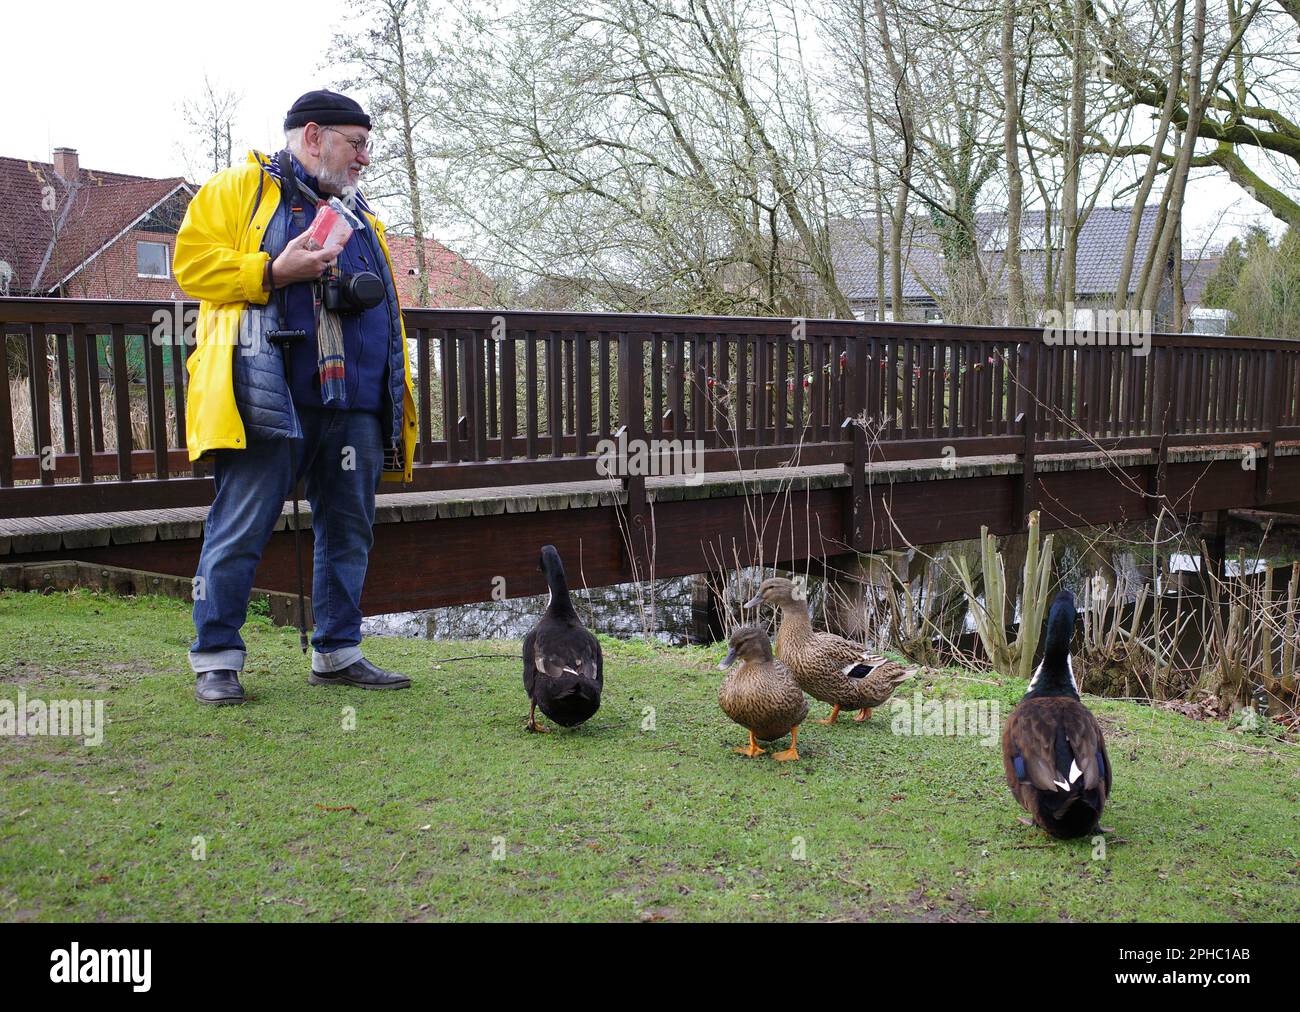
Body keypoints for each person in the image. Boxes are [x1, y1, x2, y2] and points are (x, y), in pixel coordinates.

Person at [175, 89, 419, 705]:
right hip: (268, 395)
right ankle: (217, 658)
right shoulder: (237, 191)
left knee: (349, 530)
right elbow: (191, 266)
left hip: (354, 404)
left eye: (368, 146)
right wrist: (271, 273)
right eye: (355, 144)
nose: (364, 158)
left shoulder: (358, 214)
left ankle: (338, 652)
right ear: (313, 136)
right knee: (240, 524)